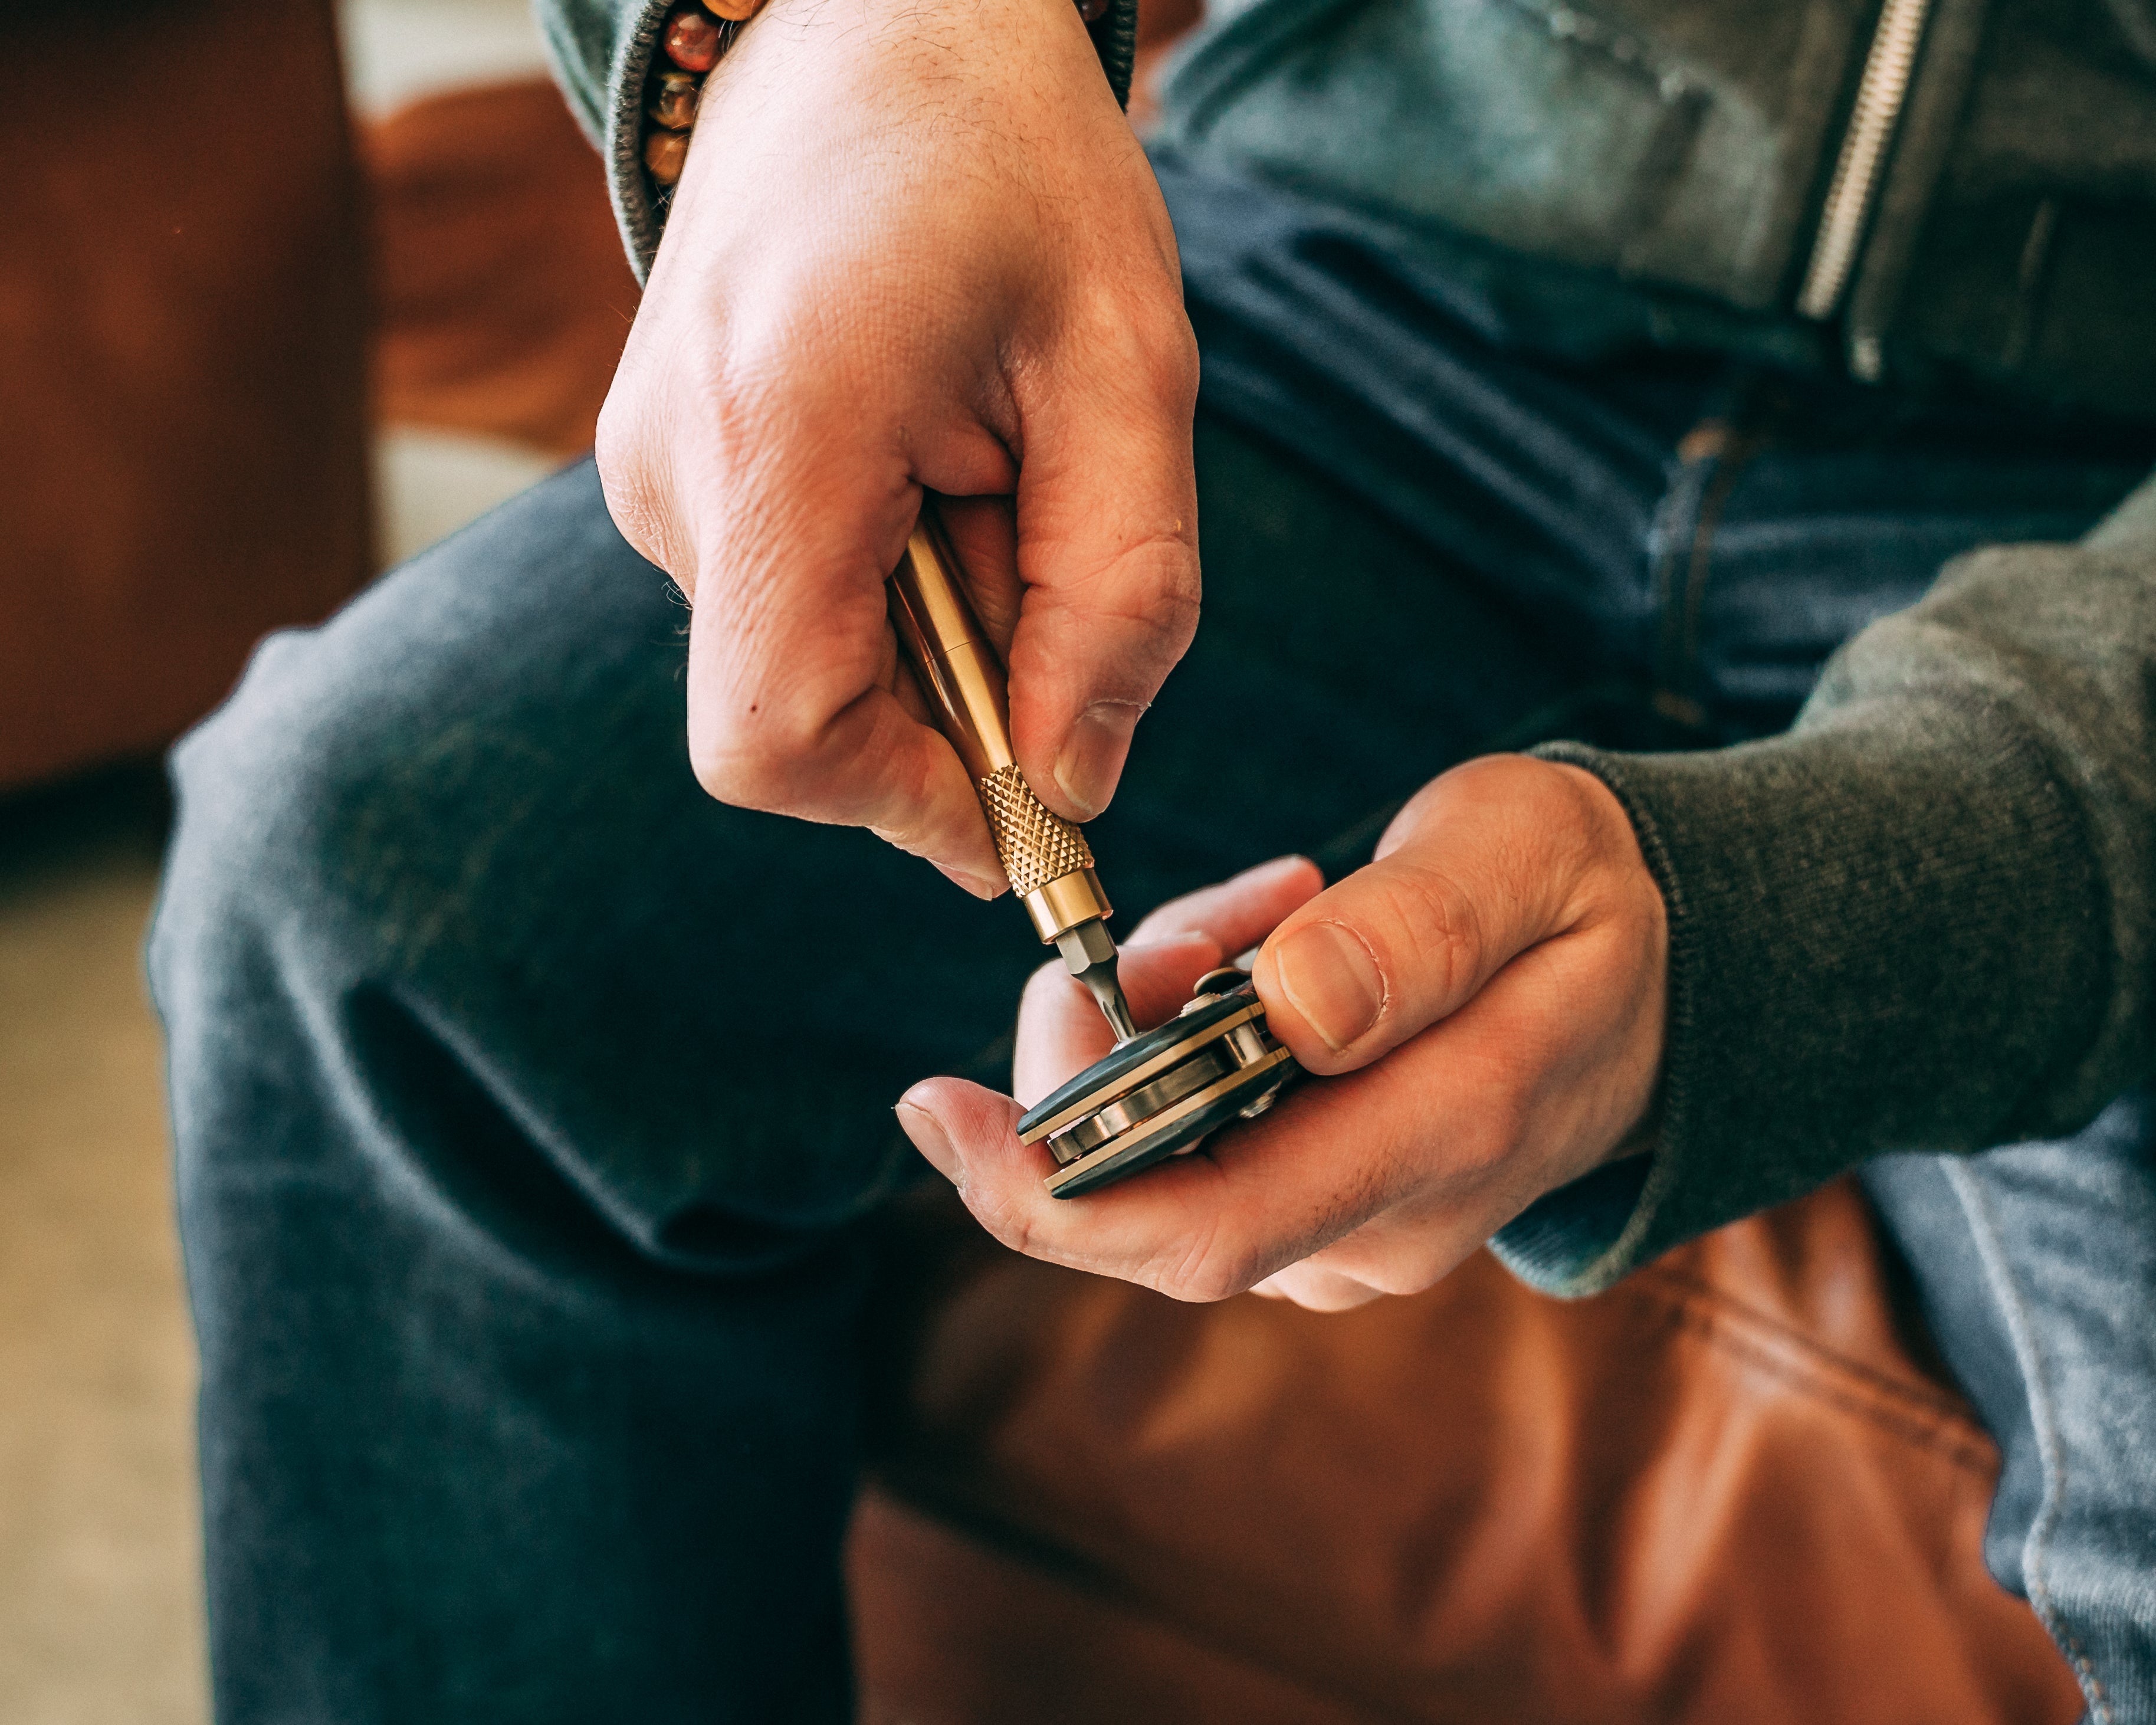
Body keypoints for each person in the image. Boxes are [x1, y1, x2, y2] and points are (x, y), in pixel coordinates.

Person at [150, 0, 2156, 1716]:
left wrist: (1801, 918)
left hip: (2105, 511)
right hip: (1354, 278)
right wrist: (824, 42)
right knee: (373, 875)